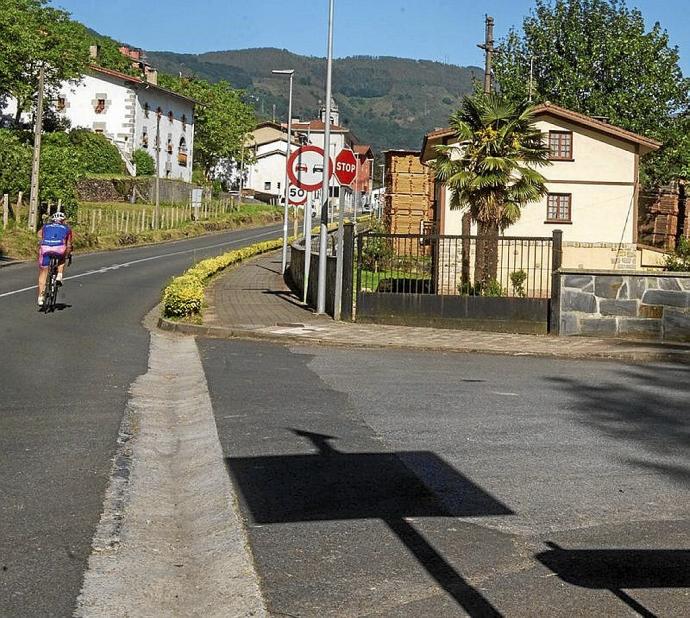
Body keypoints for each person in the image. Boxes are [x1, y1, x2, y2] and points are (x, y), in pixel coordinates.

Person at [37, 211, 73, 307]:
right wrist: (68, 255)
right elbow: (69, 244)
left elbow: (39, 235)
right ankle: (59, 275)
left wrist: (41, 242)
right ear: (63, 220)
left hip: (45, 247)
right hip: (59, 248)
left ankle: (41, 297)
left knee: (43, 272)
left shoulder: (46, 226)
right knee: (62, 257)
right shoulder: (67, 228)